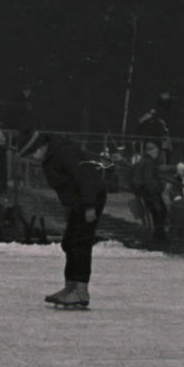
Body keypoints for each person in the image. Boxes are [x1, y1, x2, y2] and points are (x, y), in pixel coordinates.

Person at [18, 130, 106, 308]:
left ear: (41, 146)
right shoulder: (51, 156)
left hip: (89, 198)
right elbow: (65, 187)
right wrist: (69, 208)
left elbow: (85, 177)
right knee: (70, 242)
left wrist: (89, 206)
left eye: (32, 153)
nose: (32, 158)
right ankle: (71, 286)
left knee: (80, 243)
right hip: (78, 202)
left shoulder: (64, 153)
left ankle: (81, 291)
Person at [131, 141, 167, 245]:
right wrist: (155, 192)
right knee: (161, 211)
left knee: (156, 212)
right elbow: (148, 179)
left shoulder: (144, 160)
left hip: (143, 189)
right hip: (148, 190)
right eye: (155, 153)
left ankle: (159, 234)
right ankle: (160, 235)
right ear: (150, 153)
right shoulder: (150, 162)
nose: (156, 155)